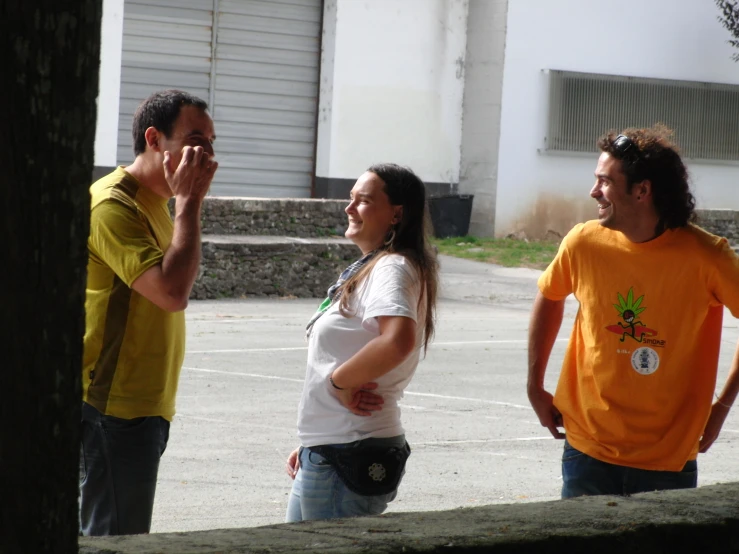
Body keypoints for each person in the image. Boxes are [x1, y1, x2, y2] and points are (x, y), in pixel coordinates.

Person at [528, 124, 739, 498]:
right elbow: (549, 295)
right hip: (586, 450)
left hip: (668, 459)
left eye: (605, 182)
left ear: (642, 190)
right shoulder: (583, 242)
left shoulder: (708, 256)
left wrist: (721, 407)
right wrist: (534, 384)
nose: (594, 191)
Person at [79, 89, 218, 535]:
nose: (207, 154)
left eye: (212, 142)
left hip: (145, 404)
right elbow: (171, 293)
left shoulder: (158, 204)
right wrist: (191, 203)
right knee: (115, 538)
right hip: (114, 407)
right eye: (196, 138)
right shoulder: (114, 205)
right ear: (154, 138)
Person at [285, 163, 438, 521]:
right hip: (331, 447)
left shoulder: (392, 268)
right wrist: (312, 441)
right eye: (351, 198)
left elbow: (398, 341)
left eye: (363, 200)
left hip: (350, 449)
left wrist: (339, 381)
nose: (349, 208)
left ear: (396, 214)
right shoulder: (377, 266)